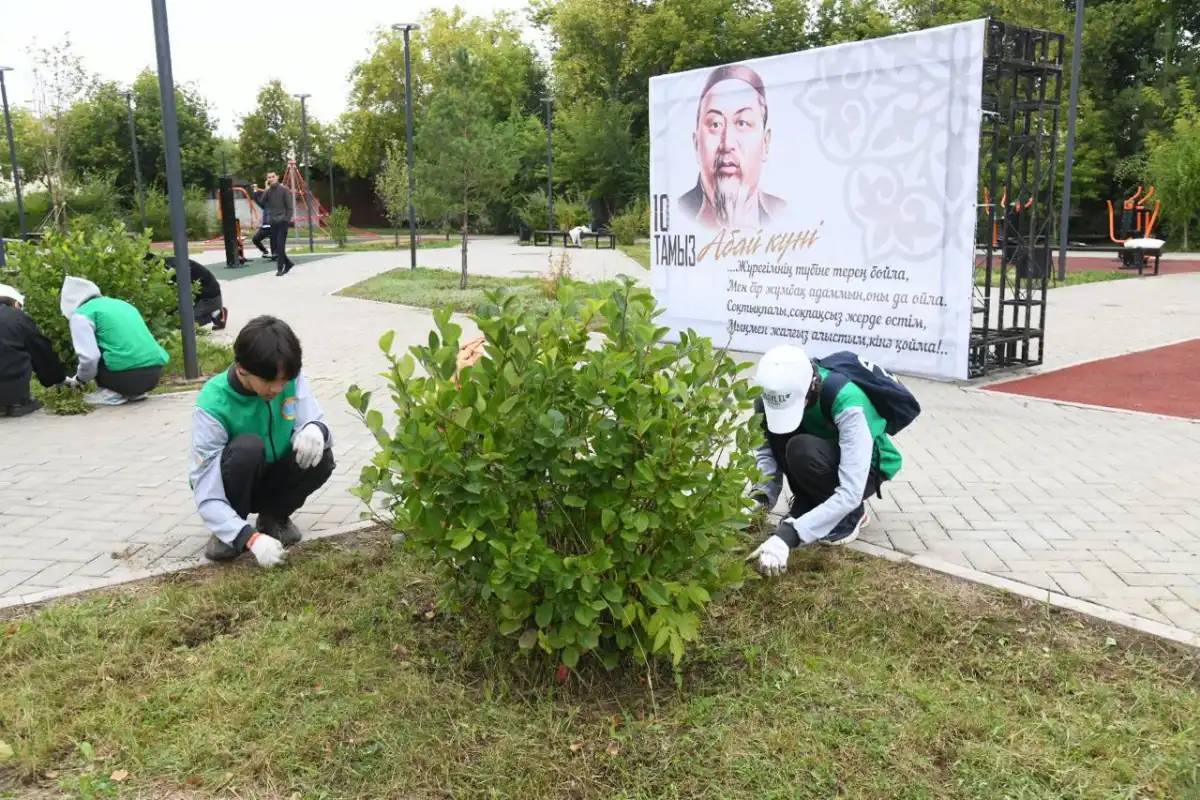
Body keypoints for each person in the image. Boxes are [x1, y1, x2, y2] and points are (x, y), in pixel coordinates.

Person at [190, 315, 335, 567]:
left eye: (285, 381)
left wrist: (316, 429)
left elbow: (312, 418)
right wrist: (249, 538)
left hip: (274, 476)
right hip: (237, 483)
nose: (278, 389)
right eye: (269, 381)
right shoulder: (212, 404)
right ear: (241, 368)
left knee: (322, 455)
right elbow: (206, 490)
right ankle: (229, 533)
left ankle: (274, 518)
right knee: (248, 447)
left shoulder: (289, 377)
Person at [747, 345, 903, 577]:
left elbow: (850, 490)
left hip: (867, 469)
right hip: (823, 456)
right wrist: (758, 500)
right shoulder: (769, 396)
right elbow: (767, 452)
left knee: (802, 449)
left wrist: (789, 537)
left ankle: (852, 517)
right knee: (791, 442)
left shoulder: (847, 401)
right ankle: (809, 503)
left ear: (810, 387)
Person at [677, 64, 786, 231]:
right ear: (696, 143)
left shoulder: (783, 213)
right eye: (715, 124)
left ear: (765, 143)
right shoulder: (678, 212)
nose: (727, 143)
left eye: (742, 123)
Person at [60, 276, 170, 406]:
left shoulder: (81, 315)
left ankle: (112, 393)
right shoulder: (123, 304)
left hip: (122, 379)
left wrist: (79, 380)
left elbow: (89, 357)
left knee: (96, 349)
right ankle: (134, 393)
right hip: (154, 375)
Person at [0, 283, 65, 417]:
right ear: (16, 303)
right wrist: (56, 378)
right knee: (15, 350)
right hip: (7, 388)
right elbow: (40, 350)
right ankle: (17, 402)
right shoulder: (16, 317)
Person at [157, 254, 228, 330]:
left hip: (208, 297)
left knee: (183, 325)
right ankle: (213, 310)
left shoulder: (171, 268)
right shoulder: (167, 263)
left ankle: (215, 314)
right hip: (200, 292)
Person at [260, 171, 295, 276]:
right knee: (276, 247)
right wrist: (266, 188)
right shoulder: (268, 191)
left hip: (282, 222)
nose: (271, 179)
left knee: (280, 246)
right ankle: (288, 263)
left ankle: (280, 269)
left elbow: (290, 207)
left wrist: (286, 220)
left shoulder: (284, 190)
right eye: (269, 177)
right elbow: (262, 202)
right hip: (273, 222)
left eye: (273, 177)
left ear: (277, 177)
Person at [250, 182, 274, 260]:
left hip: (274, 227)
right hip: (265, 228)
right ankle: (265, 252)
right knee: (255, 239)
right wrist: (255, 190)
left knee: (274, 241)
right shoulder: (265, 204)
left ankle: (276, 255)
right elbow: (256, 199)